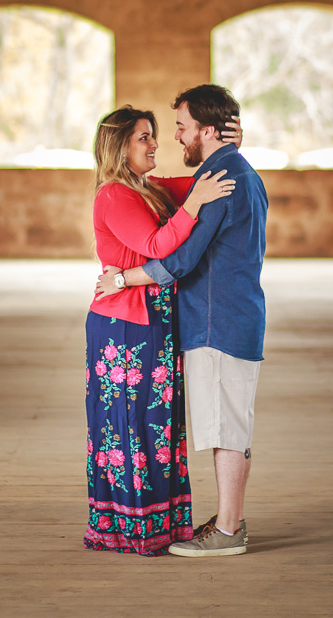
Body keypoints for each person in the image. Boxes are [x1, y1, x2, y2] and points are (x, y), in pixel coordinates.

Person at [97, 84, 267, 558]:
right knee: (227, 423)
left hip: (218, 322)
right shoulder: (230, 169)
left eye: (181, 128)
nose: (174, 139)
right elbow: (180, 204)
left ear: (207, 130)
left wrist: (124, 278)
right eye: (152, 135)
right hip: (231, 316)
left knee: (226, 428)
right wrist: (230, 146)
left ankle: (229, 531)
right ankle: (228, 521)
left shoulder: (221, 177)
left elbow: (178, 260)